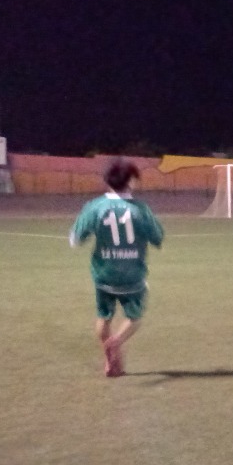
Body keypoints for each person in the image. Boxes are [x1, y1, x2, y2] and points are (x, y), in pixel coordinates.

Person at [69, 159, 165, 377]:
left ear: (108, 181)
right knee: (135, 318)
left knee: (103, 317)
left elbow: (75, 240)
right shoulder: (140, 209)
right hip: (132, 275)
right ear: (130, 181)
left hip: (104, 275)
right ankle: (117, 341)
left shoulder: (95, 207)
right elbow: (158, 238)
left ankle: (110, 362)